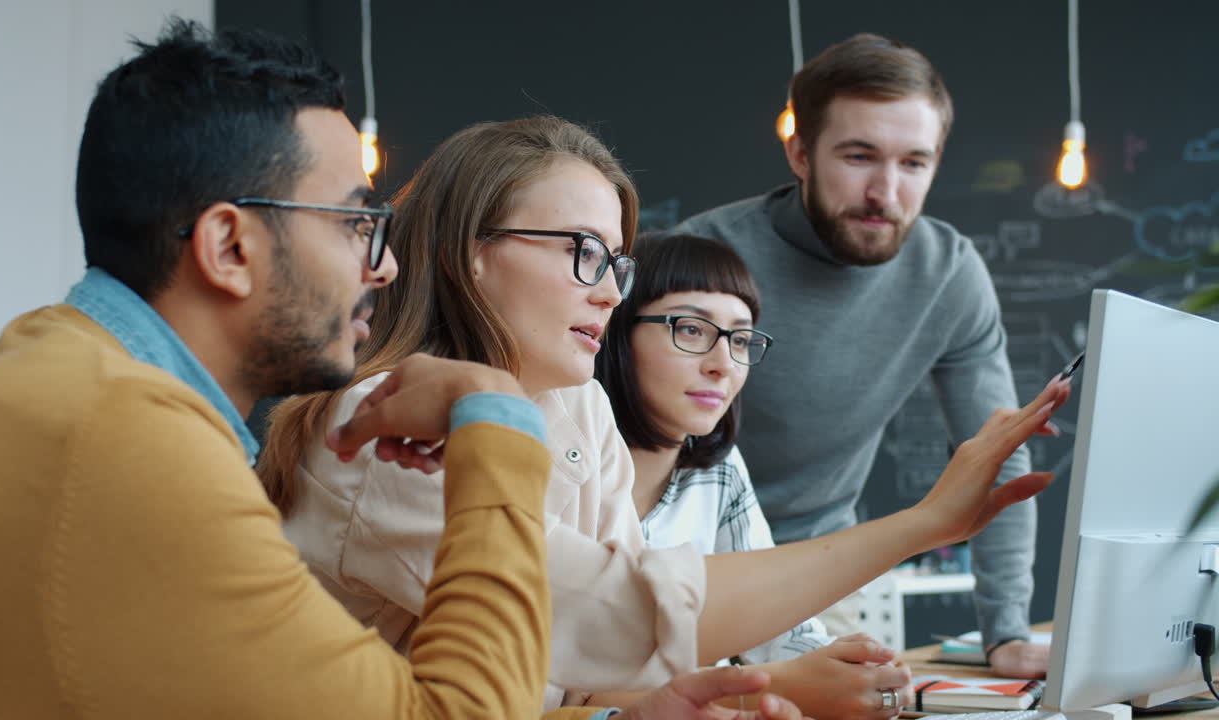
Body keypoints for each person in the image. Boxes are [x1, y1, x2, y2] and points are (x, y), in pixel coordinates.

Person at [0, 19, 801, 720]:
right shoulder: (131, 445)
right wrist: (491, 410)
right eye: (353, 223)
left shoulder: (59, 376)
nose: (382, 265)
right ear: (230, 246)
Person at [260, 115, 1071, 710]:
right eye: (581, 252)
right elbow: (616, 613)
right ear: (468, 251)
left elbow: (593, 676)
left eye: (615, 260)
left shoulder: (577, 408)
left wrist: (690, 697)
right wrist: (923, 523)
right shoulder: (383, 424)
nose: (610, 288)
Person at [676, 32, 1047, 678]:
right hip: (682, 576)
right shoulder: (700, 257)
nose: (886, 191)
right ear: (799, 152)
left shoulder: (949, 275)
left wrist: (1007, 632)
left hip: (824, 580)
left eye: (914, 164)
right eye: (859, 156)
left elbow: (1000, 451)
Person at [592, 232, 918, 719]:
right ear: (615, 331)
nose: (723, 365)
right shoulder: (563, 465)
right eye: (691, 329)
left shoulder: (718, 472)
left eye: (740, 339)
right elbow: (573, 685)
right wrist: (778, 685)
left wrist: (852, 670)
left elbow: (778, 627)